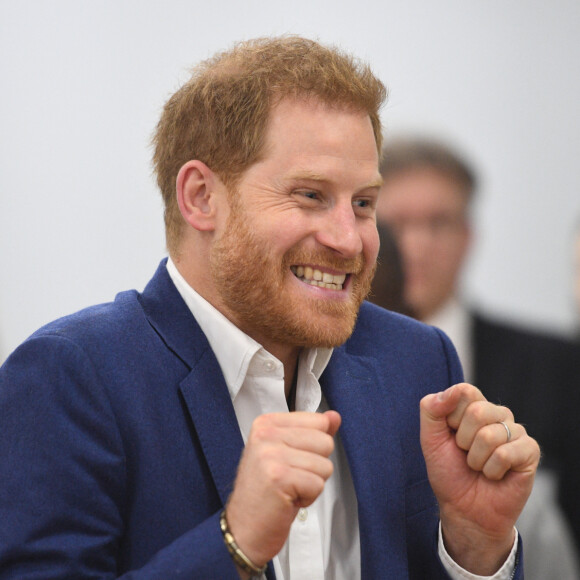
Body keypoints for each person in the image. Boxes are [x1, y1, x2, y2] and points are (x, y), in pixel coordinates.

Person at [0, 37, 540, 579]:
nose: (349, 240)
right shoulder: (70, 377)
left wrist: (474, 549)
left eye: (363, 203)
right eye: (309, 195)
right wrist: (233, 544)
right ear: (201, 198)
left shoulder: (415, 362)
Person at [374, 136, 580, 573]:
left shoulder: (562, 368)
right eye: (396, 225)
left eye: (438, 223)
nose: (416, 245)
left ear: (468, 235)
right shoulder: (323, 369)